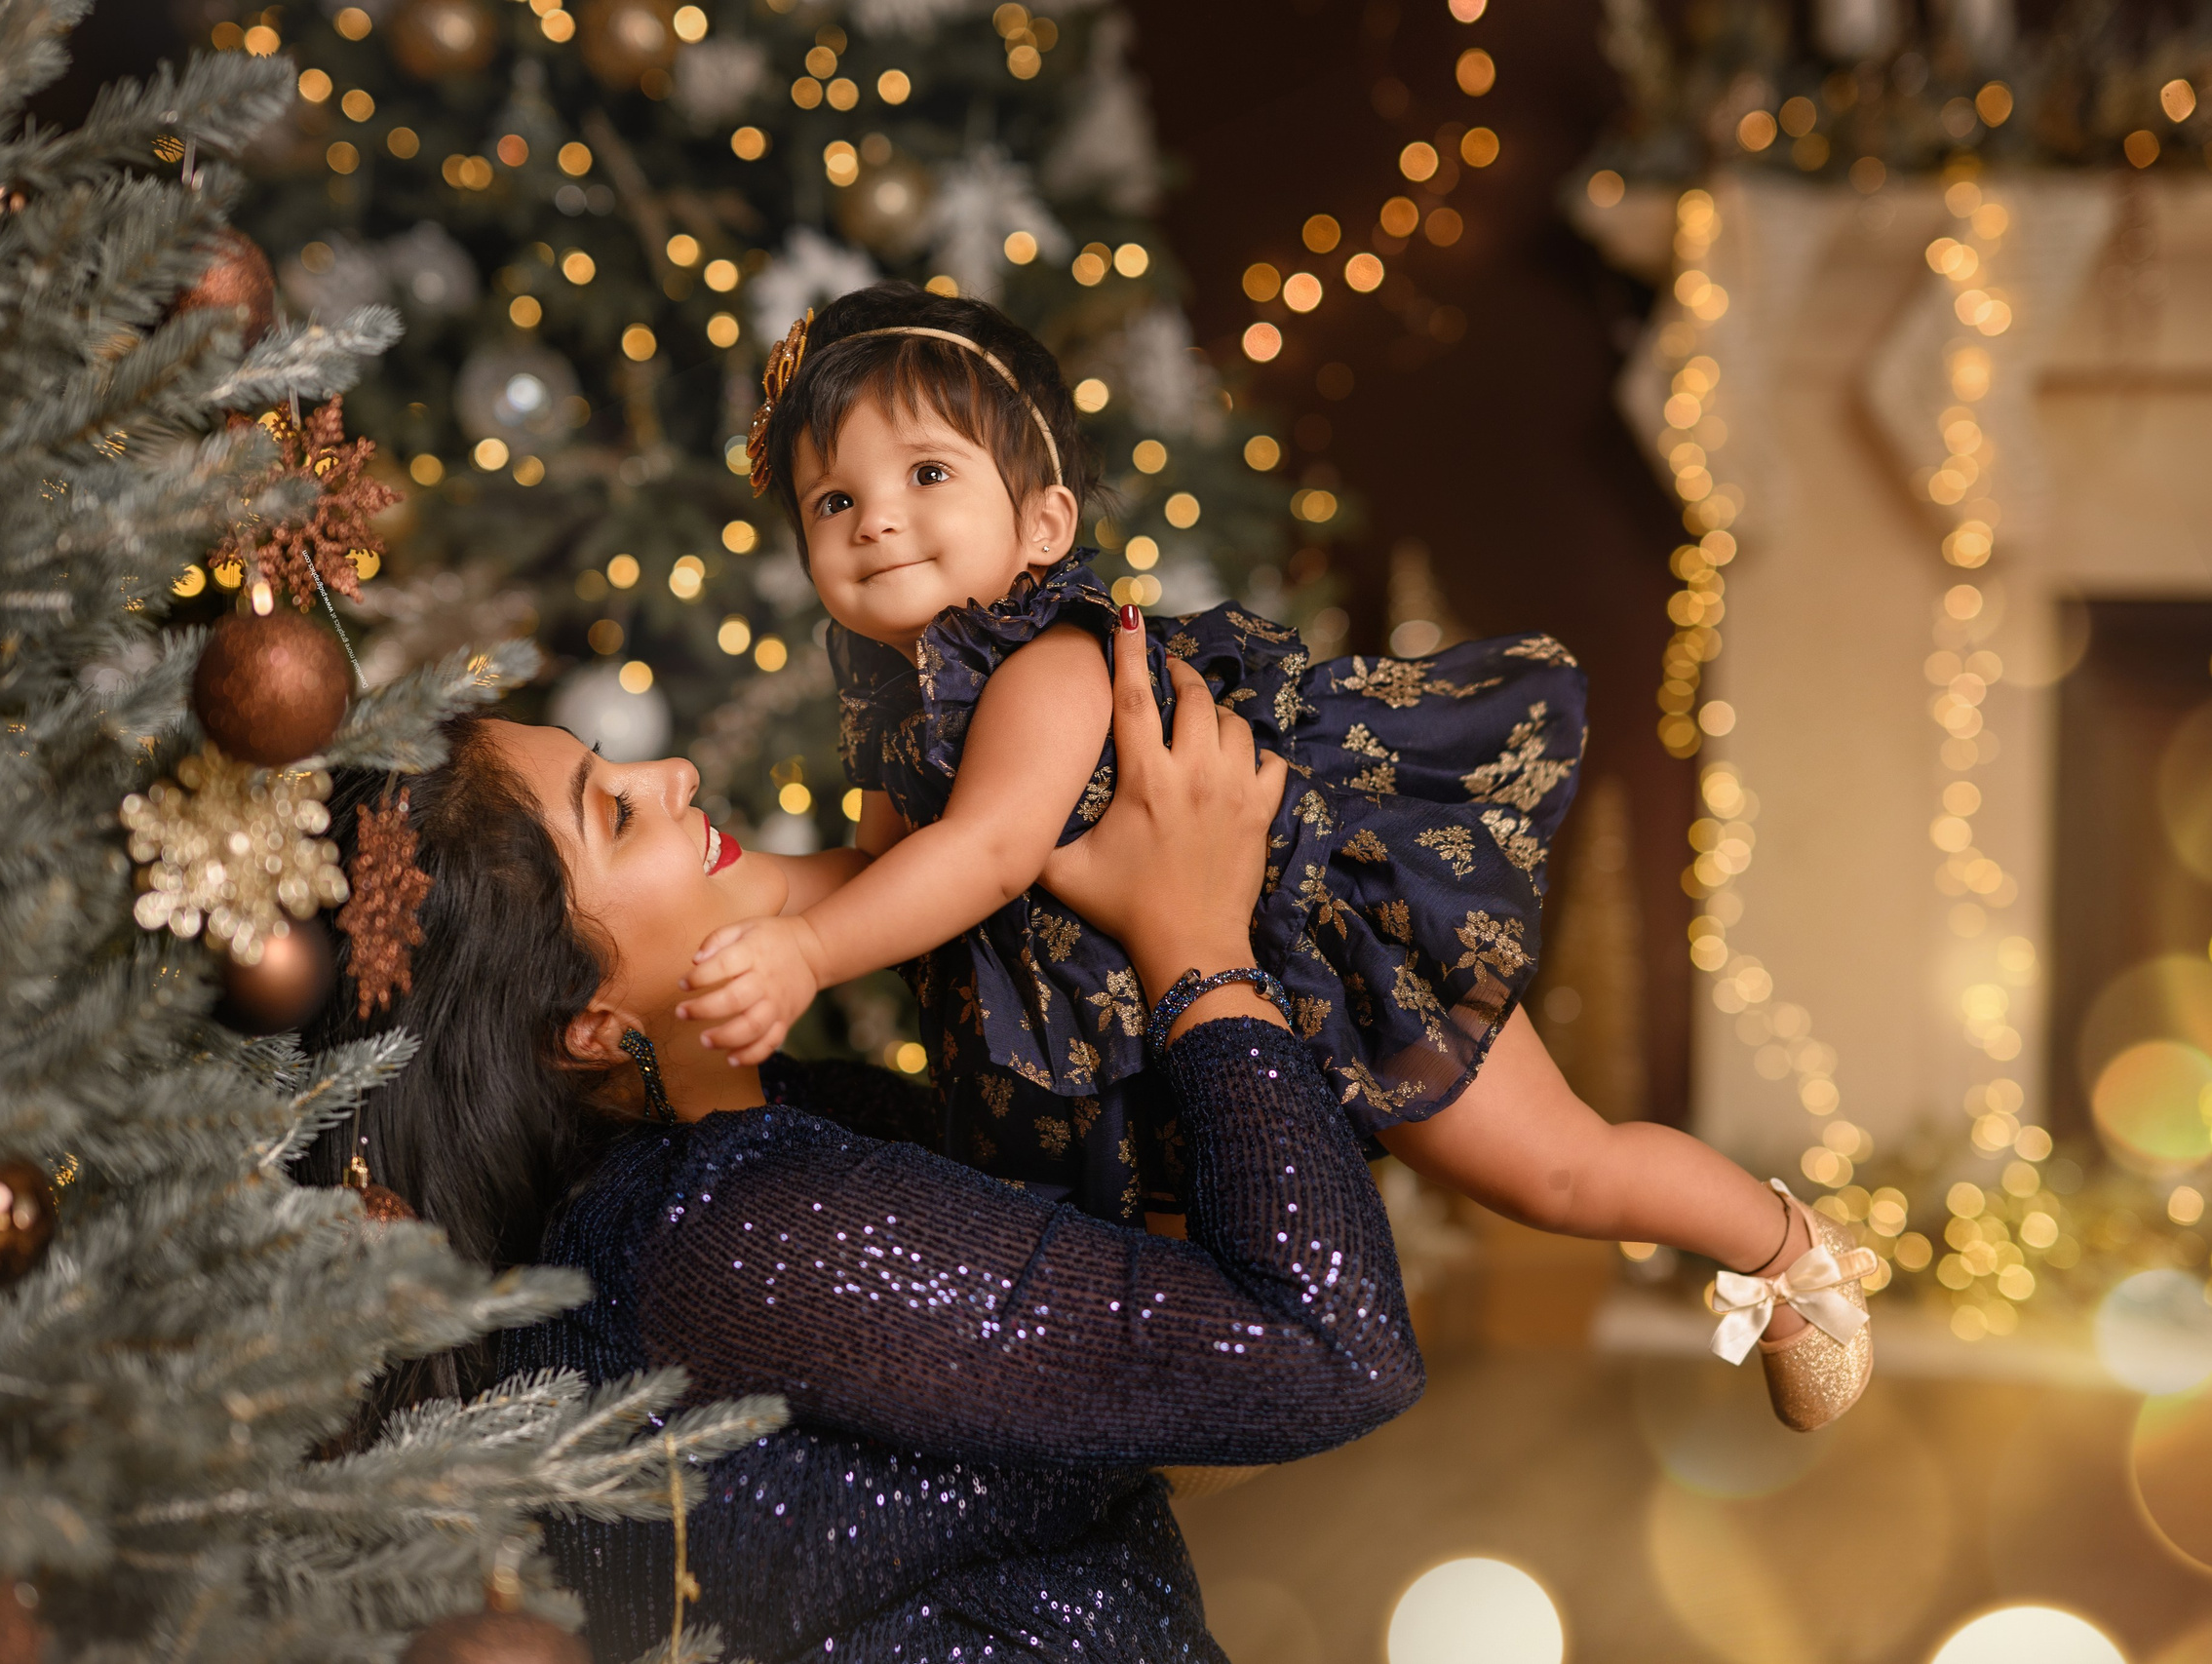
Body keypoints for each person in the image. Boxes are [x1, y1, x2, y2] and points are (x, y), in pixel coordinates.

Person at [673, 283, 1875, 1434]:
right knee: (1186, 1270)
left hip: (1324, 948)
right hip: (1170, 1014)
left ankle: (1789, 1253)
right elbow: (885, 868)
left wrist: (806, 954)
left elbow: (982, 857)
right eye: (832, 501)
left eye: (926, 474)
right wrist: (762, 892)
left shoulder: (1051, 665)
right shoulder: (899, 697)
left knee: (1551, 1172)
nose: (874, 516)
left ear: (1042, 522)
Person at [303, 635, 1425, 1663]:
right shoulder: (729, 1232)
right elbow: (1331, 1345)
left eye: (618, 766)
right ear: (585, 1024)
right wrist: (1198, 948)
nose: (676, 774)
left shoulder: (763, 1135)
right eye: (618, 816)